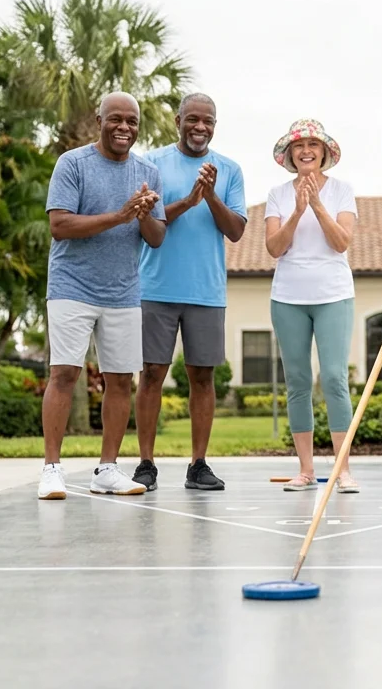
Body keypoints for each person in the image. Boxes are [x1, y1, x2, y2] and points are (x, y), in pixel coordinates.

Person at [37, 91, 166, 500]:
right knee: (64, 374)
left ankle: (107, 469)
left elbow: (157, 238)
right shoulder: (72, 164)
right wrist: (120, 215)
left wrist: (143, 216)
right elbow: (60, 226)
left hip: (123, 291)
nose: (124, 127)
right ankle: (52, 470)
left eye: (132, 121)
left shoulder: (147, 171)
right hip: (72, 286)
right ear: (99, 120)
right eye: (116, 119)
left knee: (121, 380)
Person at [133, 93, 247, 491]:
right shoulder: (150, 163)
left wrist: (211, 195)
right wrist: (189, 200)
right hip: (156, 287)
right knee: (151, 375)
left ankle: (198, 464)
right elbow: (148, 224)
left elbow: (235, 230)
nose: (201, 127)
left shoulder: (229, 170)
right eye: (193, 120)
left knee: (202, 377)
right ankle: (146, 464)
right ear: (178, 120)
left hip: (206, 291)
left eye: (209, 121)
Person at [264, 119, 361, 493]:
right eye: (298, 146)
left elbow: (342, 242)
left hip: (333, 295)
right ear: (289, 154)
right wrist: (296, 211)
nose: (306, 151)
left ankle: (342, 469)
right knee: (298, 382)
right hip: (288, 297)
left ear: (324, 152)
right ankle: (305, 470)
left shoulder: (341, 191)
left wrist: (317, 205)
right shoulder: (277, 194)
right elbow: (274, 248)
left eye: (313, 145)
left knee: (335, 378)